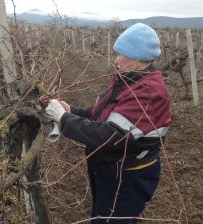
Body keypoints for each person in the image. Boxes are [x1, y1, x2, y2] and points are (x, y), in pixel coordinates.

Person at [45, 23, 171, 224]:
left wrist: (64, 119)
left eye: (122, 55)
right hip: (111, 169)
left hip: (128, 176)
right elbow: (105, 115)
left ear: (139, 61)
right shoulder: (127, 79)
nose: (116, 60)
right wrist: (72, 111)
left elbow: (110, 135)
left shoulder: (147, 93)